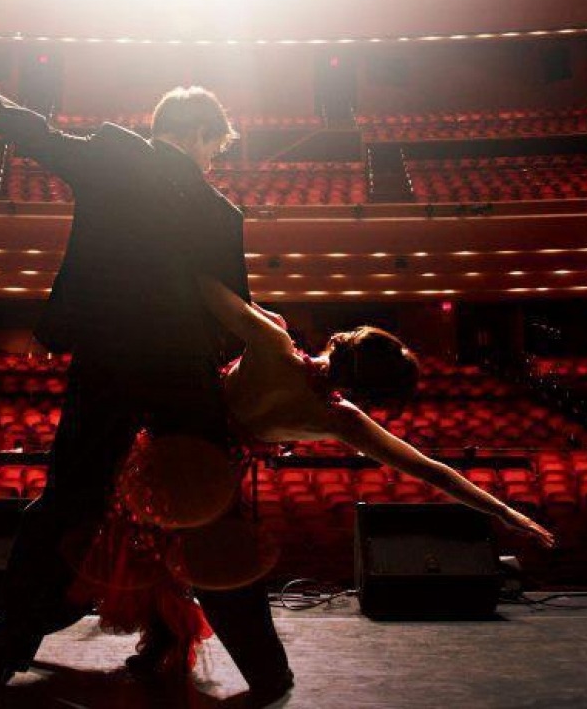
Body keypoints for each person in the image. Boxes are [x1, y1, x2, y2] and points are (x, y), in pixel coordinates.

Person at [0, 35, 294, 702]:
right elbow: (230, 316)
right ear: (196, 134)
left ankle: (2, 655)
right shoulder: (223, 215)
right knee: (212, 524)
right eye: (217, 146)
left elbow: (29, 130)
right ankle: (268, 674)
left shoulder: (115, 156)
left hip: (105, 363)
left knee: (62, 511)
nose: (218, 160)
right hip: (184, 378)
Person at [73, 277, 556, 671]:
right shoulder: (339, 419)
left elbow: (205, 289)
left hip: (164, 447)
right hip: (211, 480)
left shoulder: (273, 342)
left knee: (136, 546)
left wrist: (259, 311)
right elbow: (431, 471)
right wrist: (505, 511)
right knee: (177, 559)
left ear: (342, 340)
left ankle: (95, 628)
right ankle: (166, 641)